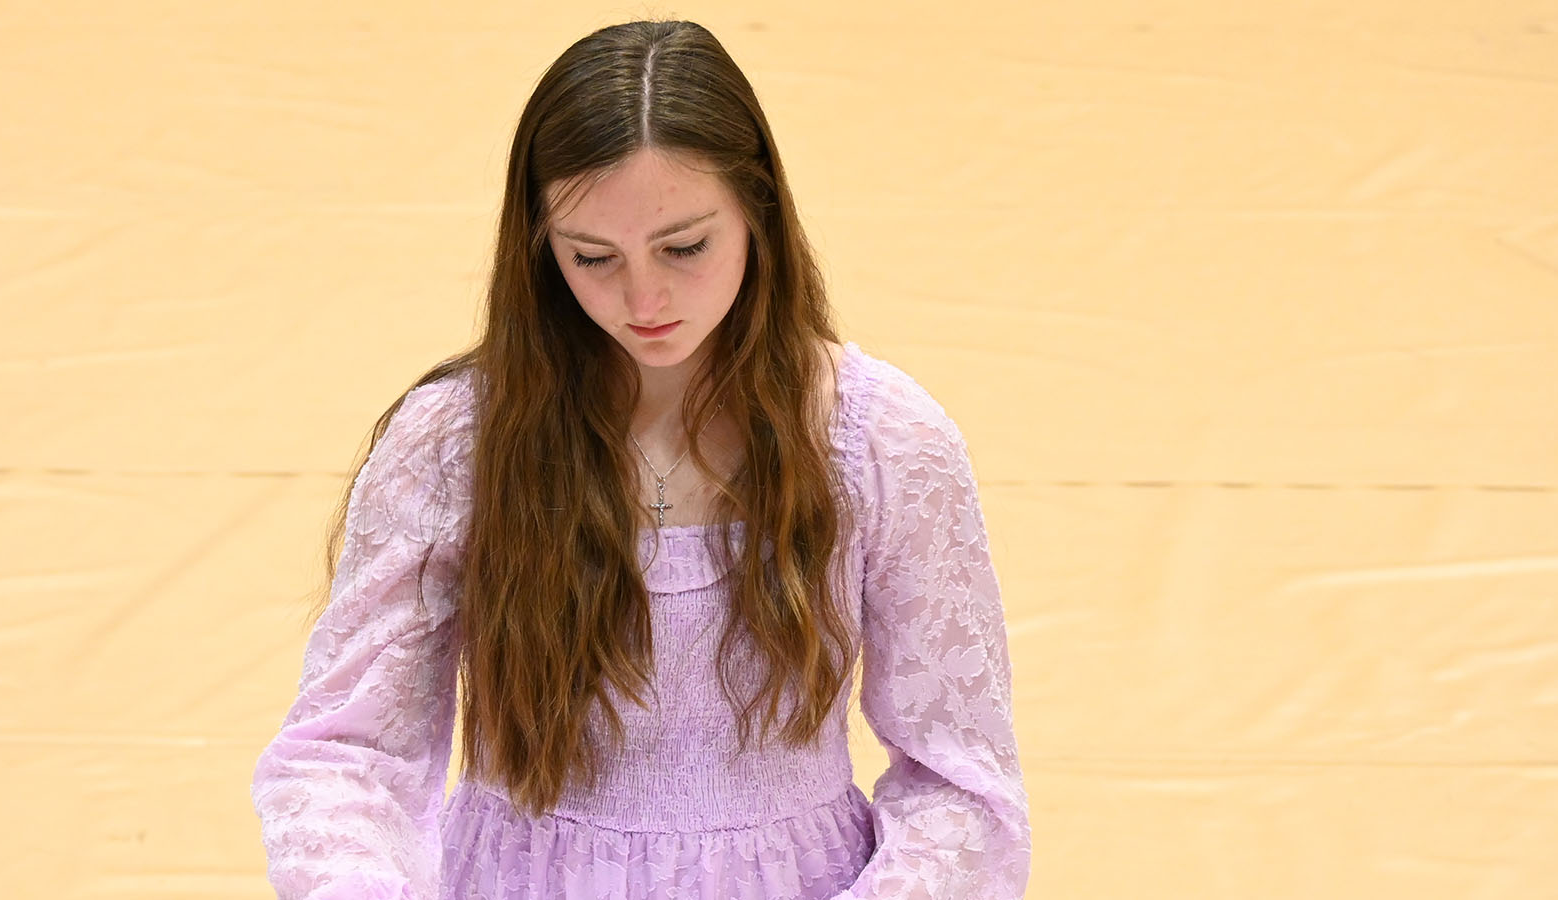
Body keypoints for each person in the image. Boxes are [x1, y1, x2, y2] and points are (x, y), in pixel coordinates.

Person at [253, 19, 1031, 900]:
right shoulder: (456, 442)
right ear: (542, 247)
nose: (643, 298)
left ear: (758, 211)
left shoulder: (882, 441)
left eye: (685, 247)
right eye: (593, 258)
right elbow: (343, 754)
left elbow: (961, 787)